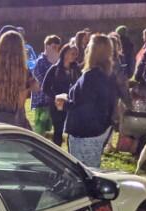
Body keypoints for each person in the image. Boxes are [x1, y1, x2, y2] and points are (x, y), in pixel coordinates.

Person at [57, 34, 118, 168]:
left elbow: (85, 106)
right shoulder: (108, 74)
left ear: (93, 51)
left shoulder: (91, 76)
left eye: (89, 46)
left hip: (85, 132)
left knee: (83, 171)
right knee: (91, 168)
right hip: (98, 130)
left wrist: (64, 103)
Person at [42, 43, 81, 146]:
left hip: (72, 103)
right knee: (58, 130)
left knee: (72, 130)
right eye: (72, 53)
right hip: (57, 105)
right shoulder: (54, 69)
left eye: (76, 54)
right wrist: (55, 97)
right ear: (64, 53)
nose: (74, 55)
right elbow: (45, 87)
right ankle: (56, 152)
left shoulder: (76, 69)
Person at [31, 35, 61, 137]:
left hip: (53, 100)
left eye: (57, 47)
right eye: (53, 46)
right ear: (47, 46)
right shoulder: (40, 62)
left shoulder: (58, 61)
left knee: (49, 127)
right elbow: (42, 81)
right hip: (41, 101)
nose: (56, 49)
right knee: (40, 127)